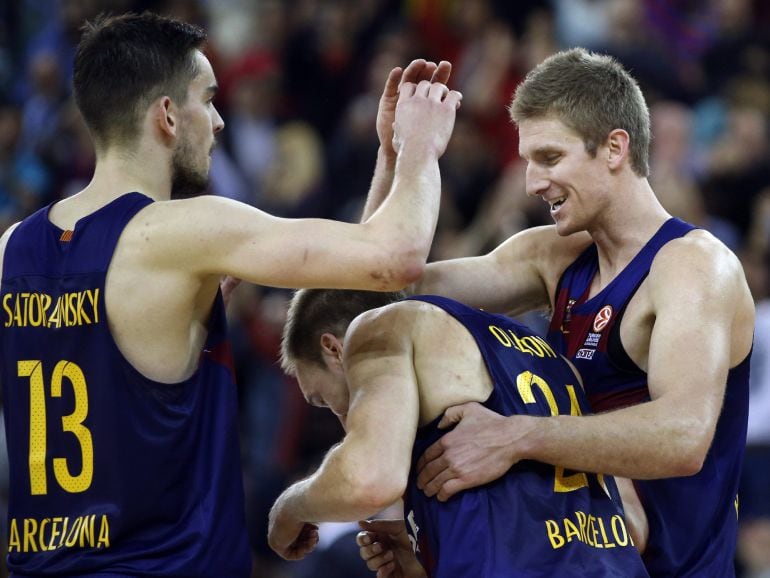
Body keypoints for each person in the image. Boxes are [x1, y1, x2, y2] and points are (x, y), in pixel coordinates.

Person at [0, 12, 461, 577]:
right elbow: (396, 257)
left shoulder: (13, 249)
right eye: (208, 99)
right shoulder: (183, 231)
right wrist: (420, 145)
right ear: (167, 115)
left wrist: (385, 157)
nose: (219, 121)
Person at [362, 47, 755, 577]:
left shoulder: (693, 265)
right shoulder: (554, 255)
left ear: (615, 148)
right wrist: (400, 155)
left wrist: (513, 436)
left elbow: (682, 437)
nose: (531, 183)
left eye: (549, 158)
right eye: (527, 161)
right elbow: (386, 290)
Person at [268, 288, 650, 577]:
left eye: (322, 400)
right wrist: (424, 553)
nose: (340, 419)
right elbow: (632, 527)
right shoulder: (558, 364)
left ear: (336, 350)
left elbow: (368, 481)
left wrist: (290, 509)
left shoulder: (382, 327)